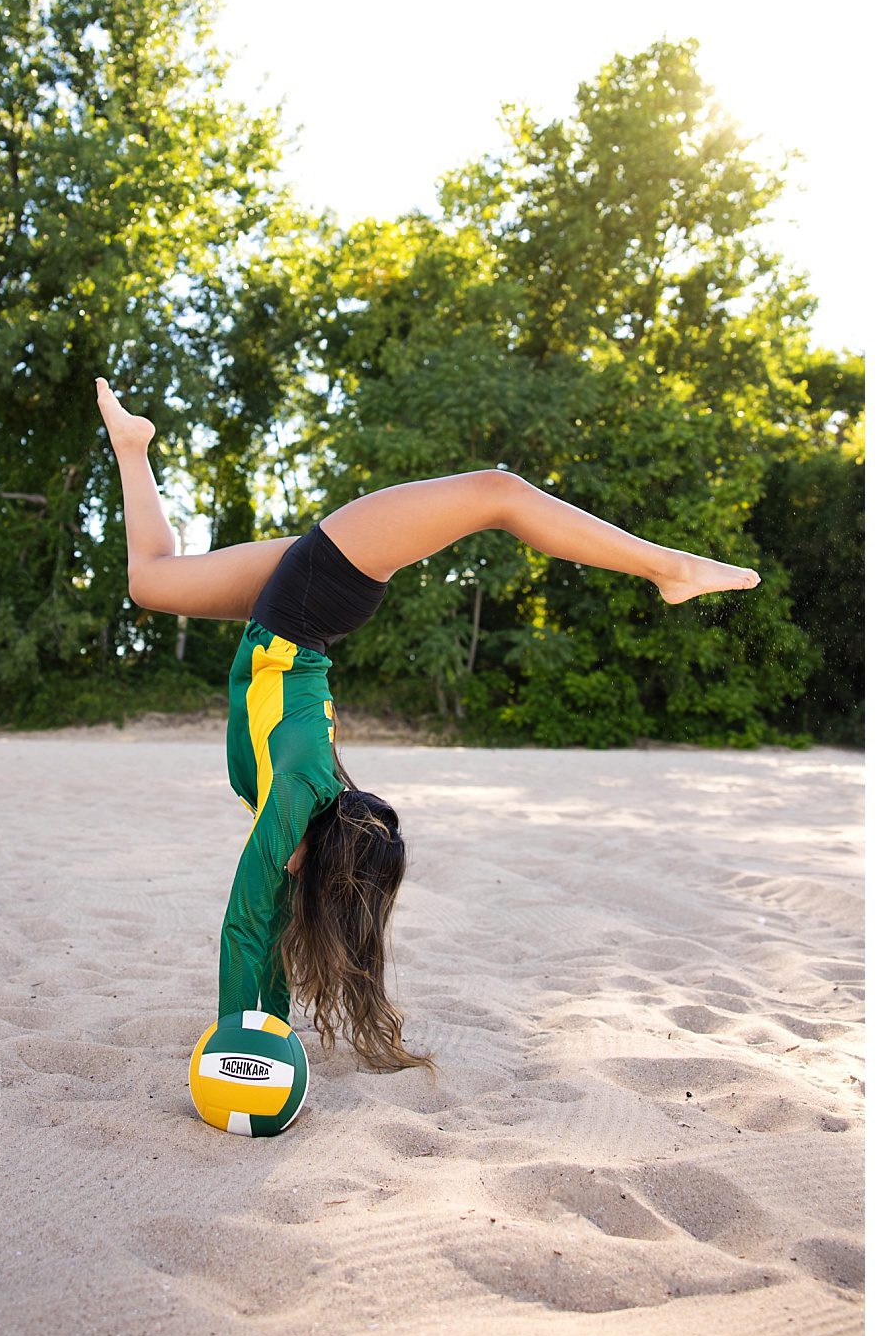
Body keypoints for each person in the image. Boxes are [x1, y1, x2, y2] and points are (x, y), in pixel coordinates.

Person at [94, 376, 758, 1074]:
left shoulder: (293, 815)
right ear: (313, 856)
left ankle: (131, 446)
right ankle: (670, 568)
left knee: (151, 579)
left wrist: (257, 1036)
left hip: (291, 609)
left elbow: (259, 926)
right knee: (498, 494)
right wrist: (244, 1038)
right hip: (309, 600)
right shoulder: (294, 796)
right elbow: (247, 921)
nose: (288, 883)